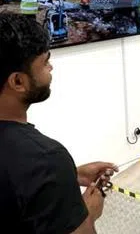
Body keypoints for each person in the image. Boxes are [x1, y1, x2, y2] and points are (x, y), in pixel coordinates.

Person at [0, 13, 120, 233]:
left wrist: (69, 177)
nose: (51, 68)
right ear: (18, 81)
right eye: (45, 61)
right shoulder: (46, 159)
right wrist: (89, 212)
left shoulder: (38, 166)